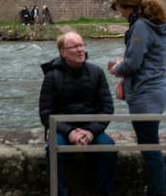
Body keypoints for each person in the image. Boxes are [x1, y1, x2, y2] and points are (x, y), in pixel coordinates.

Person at [109, 0, 166, 195]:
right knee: (149, 144)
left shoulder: (141, 27)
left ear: (129, 8)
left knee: (149, 148)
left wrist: (116, 68)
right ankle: (156, 190)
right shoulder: (158, 24)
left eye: (121, 10)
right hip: (157, 90)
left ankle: (157, 192)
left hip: (146, 93)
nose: (121, 15)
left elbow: (134, 63)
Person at [38, 30, 116, 196]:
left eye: (82, 45)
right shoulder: (52, 76)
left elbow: (107, 108)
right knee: (53, 150)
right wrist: (69, 131)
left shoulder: (96, 72)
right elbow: (46, 113)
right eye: (74, 46)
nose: (80, 50)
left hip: (91, 128)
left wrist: (91, 131)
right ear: (63, 52)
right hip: (62, 130)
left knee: (109, 149)